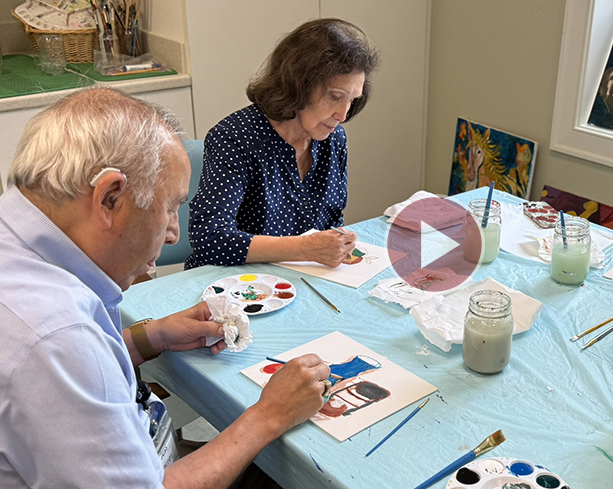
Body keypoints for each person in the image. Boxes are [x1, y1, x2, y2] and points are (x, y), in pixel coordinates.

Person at [0, 88, 331, 488]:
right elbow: (64, 359)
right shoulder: (57, 339)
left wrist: (151, 336)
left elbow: (70, 385)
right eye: (171, 207)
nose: (175, 233)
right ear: (109, 198)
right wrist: (270, 415)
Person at [185, 18, 380, 270]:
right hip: (233, 280)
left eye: (352, 100)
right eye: (335, 97)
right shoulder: (235, 138)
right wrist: (306, 249)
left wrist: (335, 245)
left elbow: (331, 222)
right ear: (298, 84)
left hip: (300, 277)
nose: (343, 115)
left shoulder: (334, 139)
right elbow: (209, 239)